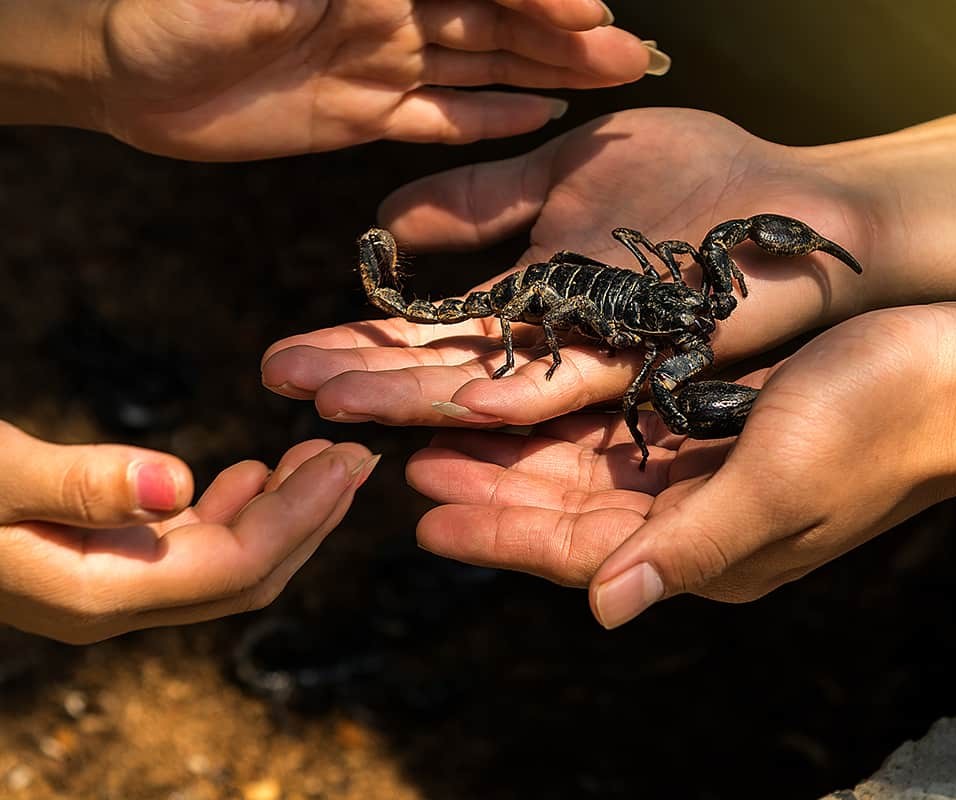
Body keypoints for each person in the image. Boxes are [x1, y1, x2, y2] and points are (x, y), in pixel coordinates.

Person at [263, 45, 956, 629]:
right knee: (645, 386)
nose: (717, 312)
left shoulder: (691, 305)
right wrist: (862, 210)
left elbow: (703, 276)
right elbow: (656, 373)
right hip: (564, 298)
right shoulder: (669, 318)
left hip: (623, 293)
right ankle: (506, 338)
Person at [0, 0, 666, 643]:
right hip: (542, 296)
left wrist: (93, 56)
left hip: (576, 284)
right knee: (539, 316)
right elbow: (576, 306)